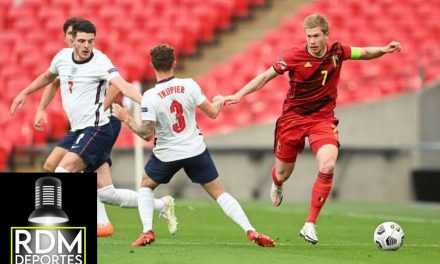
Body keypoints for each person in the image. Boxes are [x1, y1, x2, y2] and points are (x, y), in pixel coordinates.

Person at [219, 13, 401, 245]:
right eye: (308, 36)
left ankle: (310, 224)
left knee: (328, 164)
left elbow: (364, 53)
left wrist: (384, 49)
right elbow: (266, 76)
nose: (312, 41)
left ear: (326, 35)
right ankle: (277, 182)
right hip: (292, 119)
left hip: (322, 119)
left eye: (316, 36)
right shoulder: (294, 56)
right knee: (283, 172)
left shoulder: (338, 51)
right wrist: (238, 95)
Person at [9, 20, 177, 236]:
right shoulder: (61, 58)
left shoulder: (100, 61)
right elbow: (48, 77)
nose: (86, 45)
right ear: (72, 40)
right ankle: (162, 205)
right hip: (81, 129)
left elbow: (122, 85)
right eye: (81, 41)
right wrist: (24, 92)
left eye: (90, 41)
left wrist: (147, 102)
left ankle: (53, 227)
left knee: (62, 171)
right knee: (107, 193)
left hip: (97, 128)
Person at [112, 44, 275, 247]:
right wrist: (218, 102)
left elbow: (146, 134)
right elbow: (213, 113)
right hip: (194, 149)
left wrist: (127, 118)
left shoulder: (150, 96)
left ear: (151, 65)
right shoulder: (189, 85)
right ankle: (250, 230)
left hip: (167, 153)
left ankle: (147, 231)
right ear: (174, 63)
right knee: (219, 193)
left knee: (146, 186)